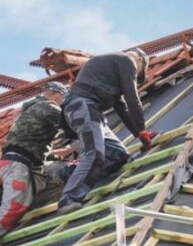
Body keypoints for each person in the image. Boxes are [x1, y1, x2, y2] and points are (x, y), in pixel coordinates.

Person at [0, 81, 70, 246]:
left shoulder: (32, 109)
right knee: (14, 206)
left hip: (22, 164)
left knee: (56, 176)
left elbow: (30, 145)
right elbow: (70, 120)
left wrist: (57, 156)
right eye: (63, 97)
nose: (63, 100)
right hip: (18, 165)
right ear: (57, 95)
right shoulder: (47, 106)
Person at [57, 48, 158, 214]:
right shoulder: (127, 60)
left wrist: (138, 134)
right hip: (83, 105)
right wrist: (142, 129)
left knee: (118, 155)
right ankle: (68, 199)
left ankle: (72, 173)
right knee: (95, 153)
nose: (134, 76)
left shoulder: (110, 71)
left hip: (91, 111)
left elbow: (122, 108)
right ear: (140, 61)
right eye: (138, 73)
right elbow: (133, 99)